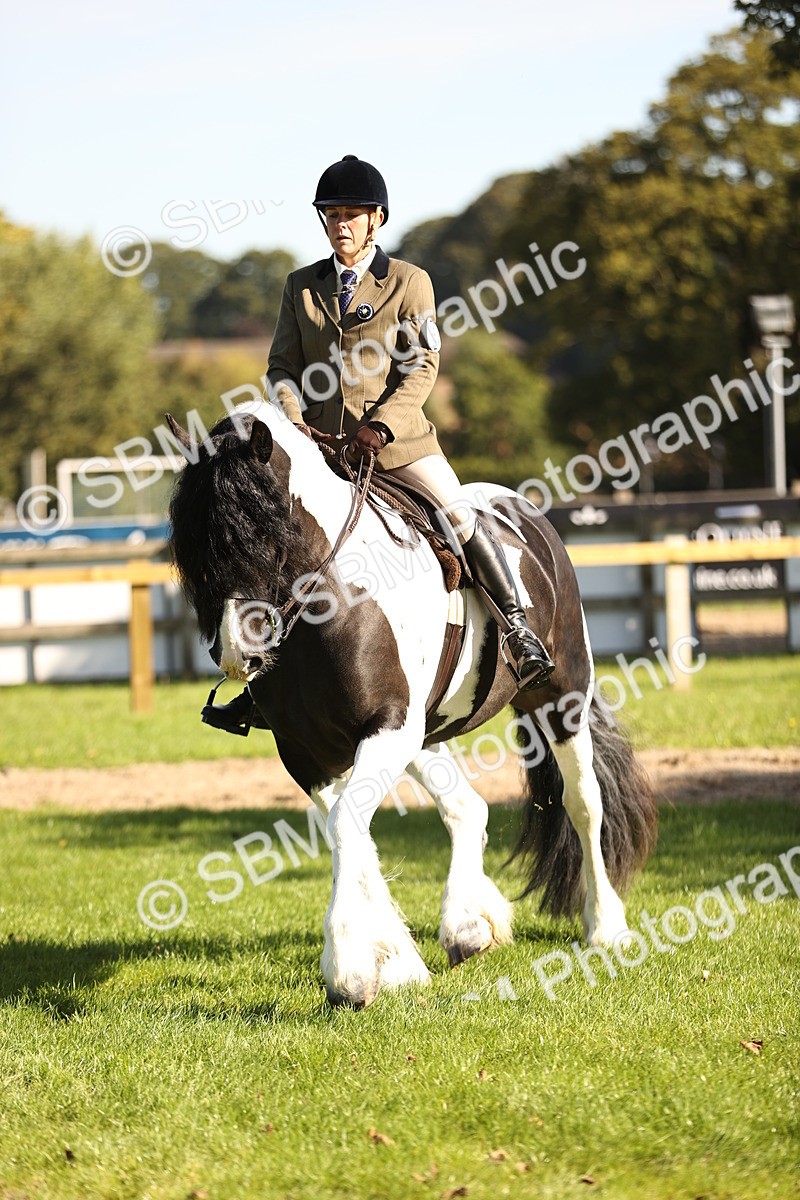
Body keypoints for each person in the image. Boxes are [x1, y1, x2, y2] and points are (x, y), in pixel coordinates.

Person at [203, 155, 554, 735]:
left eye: (352, 214)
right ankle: (265, 687)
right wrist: (293, 421)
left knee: (461, 516)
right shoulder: (301, 286)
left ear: (377, 220)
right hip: (323, 456)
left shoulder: (411, 282)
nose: (341, 224)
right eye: (331, 214)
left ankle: (518, 627)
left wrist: (381, 425)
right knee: (277, 549)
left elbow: (422, 365)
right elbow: (282, 367)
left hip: (400, 446)